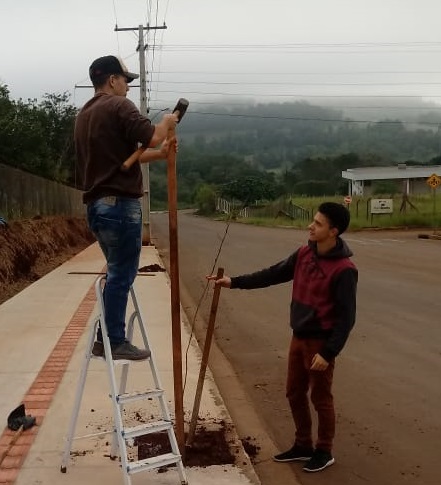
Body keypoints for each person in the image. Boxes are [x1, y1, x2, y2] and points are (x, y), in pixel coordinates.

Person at [207, 202, 358, 473]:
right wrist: (234, 281)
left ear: (333, 231)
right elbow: (273, 274)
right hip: (298, 337)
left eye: (318, 224)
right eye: (313, 221)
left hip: (320, 343)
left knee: (321, 398)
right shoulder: (303, 254)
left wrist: (329, 352)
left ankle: (324, 450)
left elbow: (346, 318)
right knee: (294, 392)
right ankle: (302, 445)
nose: (311, 226)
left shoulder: (344, 269)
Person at [75, 55, 178, 361]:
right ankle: (114, 340)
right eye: (126, 80)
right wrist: (167, 124)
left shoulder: (85, 115)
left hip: (97, 207)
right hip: (120, 206)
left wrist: (159, 155)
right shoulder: (119, 106)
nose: (128, 87)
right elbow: (153, 135)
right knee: (122, 273)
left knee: (117, 272)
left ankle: (103, 337)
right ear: (111, 80)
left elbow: (123, 161)